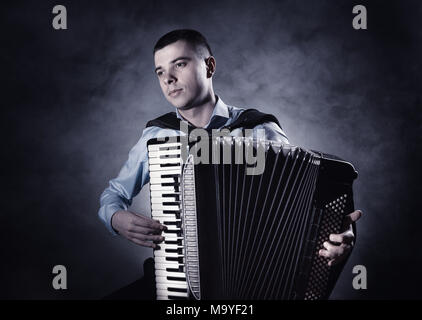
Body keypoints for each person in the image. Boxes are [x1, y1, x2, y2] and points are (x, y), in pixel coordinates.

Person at [98, 29, 362, 296]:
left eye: (180, 64)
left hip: (256, 283)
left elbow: (308, 199)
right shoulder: (157, 136)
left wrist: (343, 233)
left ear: (209, 66)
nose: (168, 78)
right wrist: (116, 218)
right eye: (159, 71)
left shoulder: (259, 129)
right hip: (175, 280)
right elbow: (114, 195)